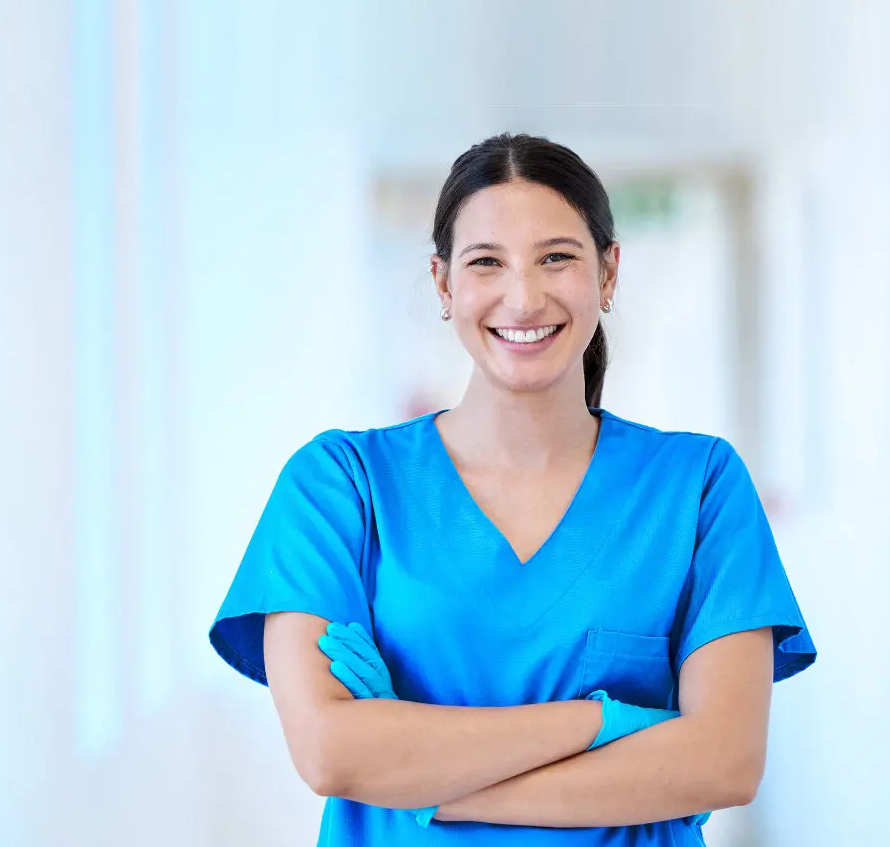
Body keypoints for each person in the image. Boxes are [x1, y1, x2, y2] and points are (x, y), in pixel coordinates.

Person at [208, 133, 816, 845]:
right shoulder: (341, 487)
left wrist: (429, 779)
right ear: (444, 284)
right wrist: (609, 722)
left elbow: (724, 763)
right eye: (486, 263)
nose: (524, 297)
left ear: (608, 273)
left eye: (557, 257)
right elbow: (328, 752)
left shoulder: (700, 487)